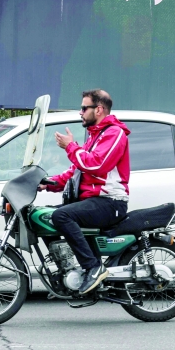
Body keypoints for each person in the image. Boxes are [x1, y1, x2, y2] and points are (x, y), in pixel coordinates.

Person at [39, 89, 130, 295]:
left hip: (110, 202)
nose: (80, 112)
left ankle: (92, 267)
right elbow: (77, 171)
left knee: (61, 215)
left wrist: (70, 147)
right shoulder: (94, 137)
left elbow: (96, 165)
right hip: (93, 201)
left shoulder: (115, 134)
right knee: (45, 216)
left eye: (83, 108)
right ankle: (69, 270)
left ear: (98, 110)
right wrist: (48, 183)